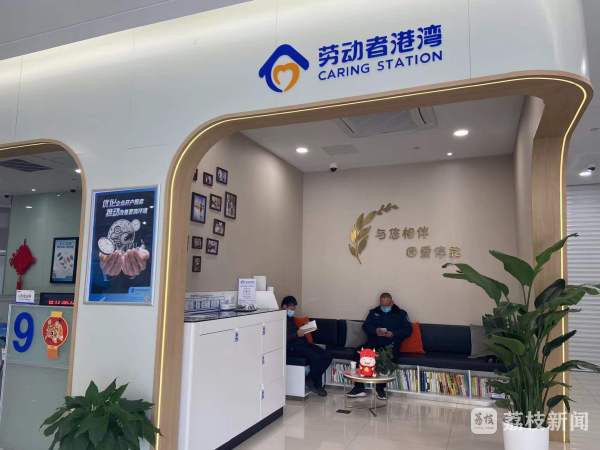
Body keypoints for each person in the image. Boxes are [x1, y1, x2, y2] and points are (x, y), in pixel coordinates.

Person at [346, 292, 412, 401]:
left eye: (387, 305)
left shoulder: (401, 314)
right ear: (380, 303)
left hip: (390, 346)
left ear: (392, 302)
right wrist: (375, 331)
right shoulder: (374, 312)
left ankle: (380, 389)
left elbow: (408, 330)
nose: (385, 307)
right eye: (382, 305)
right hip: (373, 343)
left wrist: (393, 333)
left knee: (385, 358)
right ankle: (359, 388)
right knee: (358, 353)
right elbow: (366, 326)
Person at [282, 296, 332, 397]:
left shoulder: (291, 319)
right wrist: (296, 334)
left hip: (302, 344)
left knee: (327, 355)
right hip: (292, 347)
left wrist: (304, 330)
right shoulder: (279, 320)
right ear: (284, 306)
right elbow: (282, 338)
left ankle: (310, 378)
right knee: (317, 358)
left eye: (294, 308)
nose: (293, 310)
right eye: (291, 308)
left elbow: (297, 332)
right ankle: (317, 384)